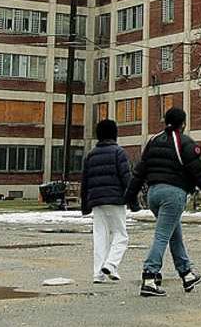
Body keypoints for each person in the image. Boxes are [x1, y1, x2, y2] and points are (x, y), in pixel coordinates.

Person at [124, 107, 201, 297]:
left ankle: (186, 273)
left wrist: (131, 196)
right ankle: (150, 276)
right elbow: (196, 170)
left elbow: (140, 170)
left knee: (174, 234)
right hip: (173, 194)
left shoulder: (153, 141)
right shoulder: (185, 142)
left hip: (153, 194)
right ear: (183, 123)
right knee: (162, 235)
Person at [81, 119, 132, 284]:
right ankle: (111, 264)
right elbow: (126, 178)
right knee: (121, 235)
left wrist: (85, 206)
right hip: (115, 199)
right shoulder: (119, 152)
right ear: (114, 134)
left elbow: (85, 182)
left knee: (100, 236)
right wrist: (134, 200)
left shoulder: (91, 155)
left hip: (96, 200)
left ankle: (98, 274)